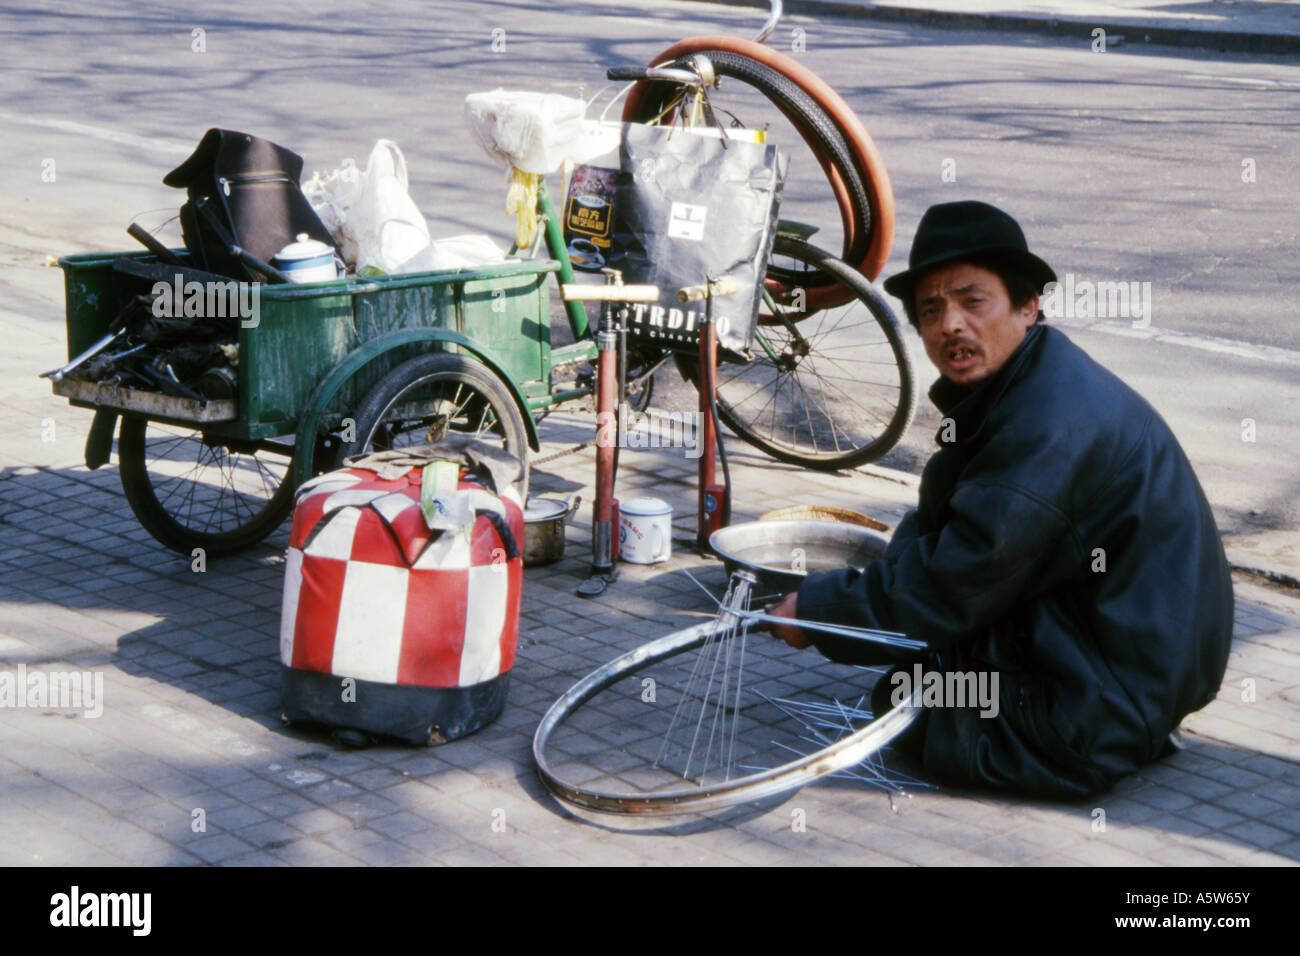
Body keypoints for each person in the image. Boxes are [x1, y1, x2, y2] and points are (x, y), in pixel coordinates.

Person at [763, 200, 1233, 797]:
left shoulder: (1047, 425)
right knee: (920, 659)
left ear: (1028, 305)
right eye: (930, 310)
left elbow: (955, 582)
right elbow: (948, 525)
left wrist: (820, 612)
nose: (950, 325)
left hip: (1099, 709)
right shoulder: (1027, 381)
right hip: (1133, 659)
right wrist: (865, 597)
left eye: (971, 301)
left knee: (907, 699)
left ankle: (1111, 737)